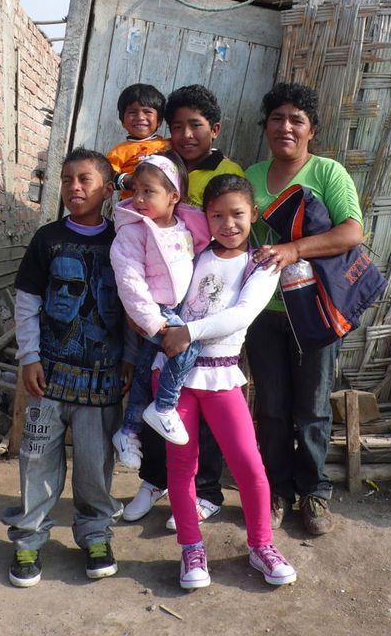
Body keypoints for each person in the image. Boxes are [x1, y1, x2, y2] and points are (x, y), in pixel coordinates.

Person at [2, 148, 132, 587]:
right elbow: (28, 301)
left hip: (103, 379)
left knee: (96, 467)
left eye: (85, 180)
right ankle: (27, 541)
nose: (74, 188)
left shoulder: (123, 242)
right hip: (49, 378)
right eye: (67, 179)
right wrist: (30, 356)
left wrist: (130, 357)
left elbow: (136, 306)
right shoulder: (47, 240)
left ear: (108, 190)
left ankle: (95, 534)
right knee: (37, 462)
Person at [159, 174, 296, 590]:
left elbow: (241, 315)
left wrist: (188, 332)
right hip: (176, 377)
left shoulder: (262, 264)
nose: (228, 224)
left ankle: (261, 545)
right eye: (216, 215)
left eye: (237, 214)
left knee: (248, 463)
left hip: (221, 376)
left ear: (253, 214)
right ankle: (191, 548)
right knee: (181, 467)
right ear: (205, 218)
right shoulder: (194, 254)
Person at [123, 85, 244, 530]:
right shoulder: (157, 166)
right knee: (162, 393)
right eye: (176, 126)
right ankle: (153, 480)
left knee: (203, 399)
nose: (186, 134)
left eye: (195, 125)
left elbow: (231, 232)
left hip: (208, 305)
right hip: (161, 308)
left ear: (214, 129)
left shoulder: (227, 172)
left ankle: (204, 491)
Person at [245, 82, 364, 536]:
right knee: (271, 408)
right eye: (277, 118)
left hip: (314, 310)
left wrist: (295, 249)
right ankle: (277, 489)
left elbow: (352, 231)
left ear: (312, 129)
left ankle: (314, 492)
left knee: (313, 407)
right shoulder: (251, 177)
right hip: (262, 312)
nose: (286, 127)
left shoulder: (327, 173)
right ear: (266, 126)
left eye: (297, 119)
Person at [110, 151, 210, 462]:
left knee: (143, 373)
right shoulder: (134, 231)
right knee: (188, 346)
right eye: (135, 190)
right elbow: (130, 281)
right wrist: (155, 322)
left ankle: (127, 431)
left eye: (148, 191)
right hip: (153, 313)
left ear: (173, 197)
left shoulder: (184, 226)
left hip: (174, 309)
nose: (138, 198)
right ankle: (164, 406)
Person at [107, 83, 170, 198]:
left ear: (159, 121)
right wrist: (128, 181)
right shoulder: (119, 151)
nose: (140, 117)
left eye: (147, 112)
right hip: (131, 205)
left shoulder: (169, 145)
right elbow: (107, 176)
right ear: (122, 121)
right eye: (132, 112)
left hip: (164, 205)